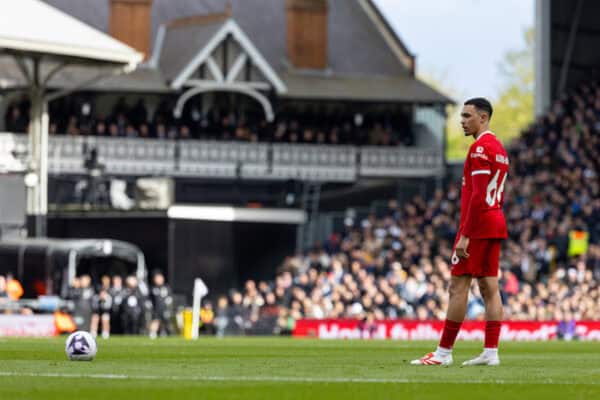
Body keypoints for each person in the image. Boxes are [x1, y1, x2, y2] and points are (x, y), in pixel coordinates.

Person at [412, 98, 509, 366]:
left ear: (484, 118)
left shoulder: (479, 149)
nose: (462, 121)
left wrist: (465, 234)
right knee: (490, 287)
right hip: (496, 221)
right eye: (462, 116)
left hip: (478, 225)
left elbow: (478, 196)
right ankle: (491, 352)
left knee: (458, 286)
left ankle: (443, 353)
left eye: (468, 116)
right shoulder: (499, 148)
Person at [148, 271, 173, 339]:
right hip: (156, 308)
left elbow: (170, 297)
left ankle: (163, 331)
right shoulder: (153, 288)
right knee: (155, 320)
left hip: (164, 308)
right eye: (157, 278)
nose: (159, 280)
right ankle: (153, 332)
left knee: (165, 321)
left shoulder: (166, 288)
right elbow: (150, 298)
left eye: (160, 278)